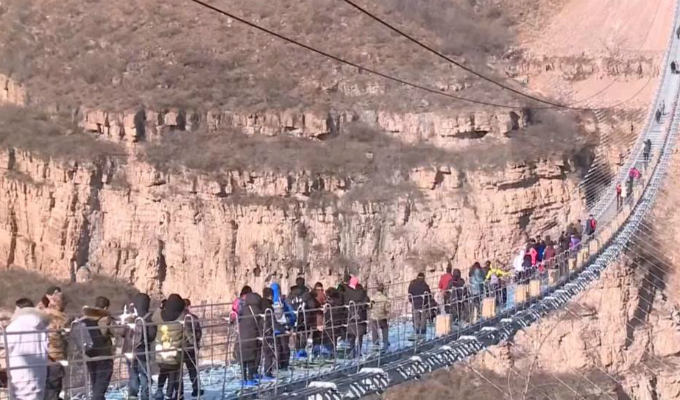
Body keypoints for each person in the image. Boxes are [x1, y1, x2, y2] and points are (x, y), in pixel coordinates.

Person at [5, 299, 49, 400]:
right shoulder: (42, 325)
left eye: (15, 309)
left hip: (20, 371)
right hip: (39, 370)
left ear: (20, 309)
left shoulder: (16, 325)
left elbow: (5, 343)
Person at [79, 296, 116, 400]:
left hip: (90, 355)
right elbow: (118, 331)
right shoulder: (106, 319)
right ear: (106, 308)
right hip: (104, 356)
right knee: (100, 388)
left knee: (95, 385)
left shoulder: (85, 318)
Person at [122, 293, 157, 400]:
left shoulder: (131, 318)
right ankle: (145, 395)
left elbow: (122, 333)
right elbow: (152, 336)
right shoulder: (148, 319)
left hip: (129, 350)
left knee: (133, 373)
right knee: (144, 373)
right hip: (142, 350)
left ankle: (133, 394)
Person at [152, 294, 186, 399]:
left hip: (161, 353)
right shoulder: (181, 318)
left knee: (163, 372)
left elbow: (153, 317)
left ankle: (159, 390)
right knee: (174, 375)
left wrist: (161, 307)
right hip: (174, 354)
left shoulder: (159, 317)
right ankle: (172, 394)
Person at [43, 292, 69, 400]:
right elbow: (65, 338)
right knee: (54, 389)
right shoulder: (61, 319)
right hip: (55, 357)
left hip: (41, 357)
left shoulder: (41, 315)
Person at [260, 287, 285, 380]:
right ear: (271, 296)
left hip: (258, 330)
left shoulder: (259, 304)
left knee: (259, 352)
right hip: (267, 331)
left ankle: (254, 374)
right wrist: (283, 329)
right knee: (269, 352)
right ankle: (267, 372)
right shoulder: (268, 307)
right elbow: (272, 321)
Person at [343, 277, 369, 356]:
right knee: (360, 335)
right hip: (361, 316)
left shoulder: (347, 293)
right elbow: (366, 302)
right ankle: (359, 351)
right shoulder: (362, 292)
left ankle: (352, 352)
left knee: (352, 335)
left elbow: (345, 303)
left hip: (351, 316)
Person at [270, 283, 293, 370]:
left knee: (276, 348)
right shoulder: (282, 301)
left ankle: (276, 365)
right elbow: (290, 312)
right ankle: (284, 365)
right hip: (283, 327)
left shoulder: (269, 302)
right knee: (285, 347)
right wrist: (291, 323)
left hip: (273, 328)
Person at [183, 299, 203, 398]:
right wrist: (196, 342)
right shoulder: (193, 317)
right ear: (188, 306)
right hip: (190, 347)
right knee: (192, 369)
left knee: (177, 372)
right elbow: (199, 332)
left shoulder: (176, 318)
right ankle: (196, 389)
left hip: (179, 347)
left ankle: (178, 391)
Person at [408, 273, 431, 338]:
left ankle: (416, 331)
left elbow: (409, 293)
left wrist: (411, 301)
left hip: (415, 303)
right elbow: (428, 295)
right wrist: (426, 303)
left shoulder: (412, 284)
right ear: (423, 277)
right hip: (423, 303)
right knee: (423, 318)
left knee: (416, 318)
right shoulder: (425, 285)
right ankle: (423, 333)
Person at [368, 283, 390, 350]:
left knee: (374, 330)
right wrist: (387, 315)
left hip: (374, 316)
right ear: (383, 290)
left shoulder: (372, 298)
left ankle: (375, 344)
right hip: (382, 317)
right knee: (385, 328)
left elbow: (369, 307)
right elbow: (387, 309)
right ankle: (385, 342)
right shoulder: (385, 298)